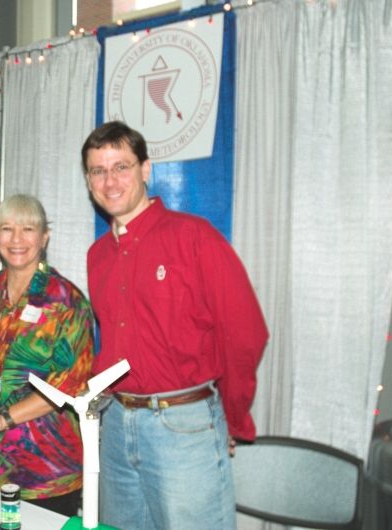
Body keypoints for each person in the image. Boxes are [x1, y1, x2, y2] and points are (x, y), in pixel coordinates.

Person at [82, 121, 269, 530]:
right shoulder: (98, 256)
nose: (110, 181)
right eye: (98, 170)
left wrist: (233, 417)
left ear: (146, 170)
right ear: (88, 180)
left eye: (121, 166)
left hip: (183, 427)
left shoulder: (195, 238)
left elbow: (246, 334)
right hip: (117, 427)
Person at [0, 194, 94, 517]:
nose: (17, 239)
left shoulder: (67, 301)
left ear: (44, 237)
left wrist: (3, 419)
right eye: (7, 229)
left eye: (28, 229)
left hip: (47, 471)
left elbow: (69, 385)